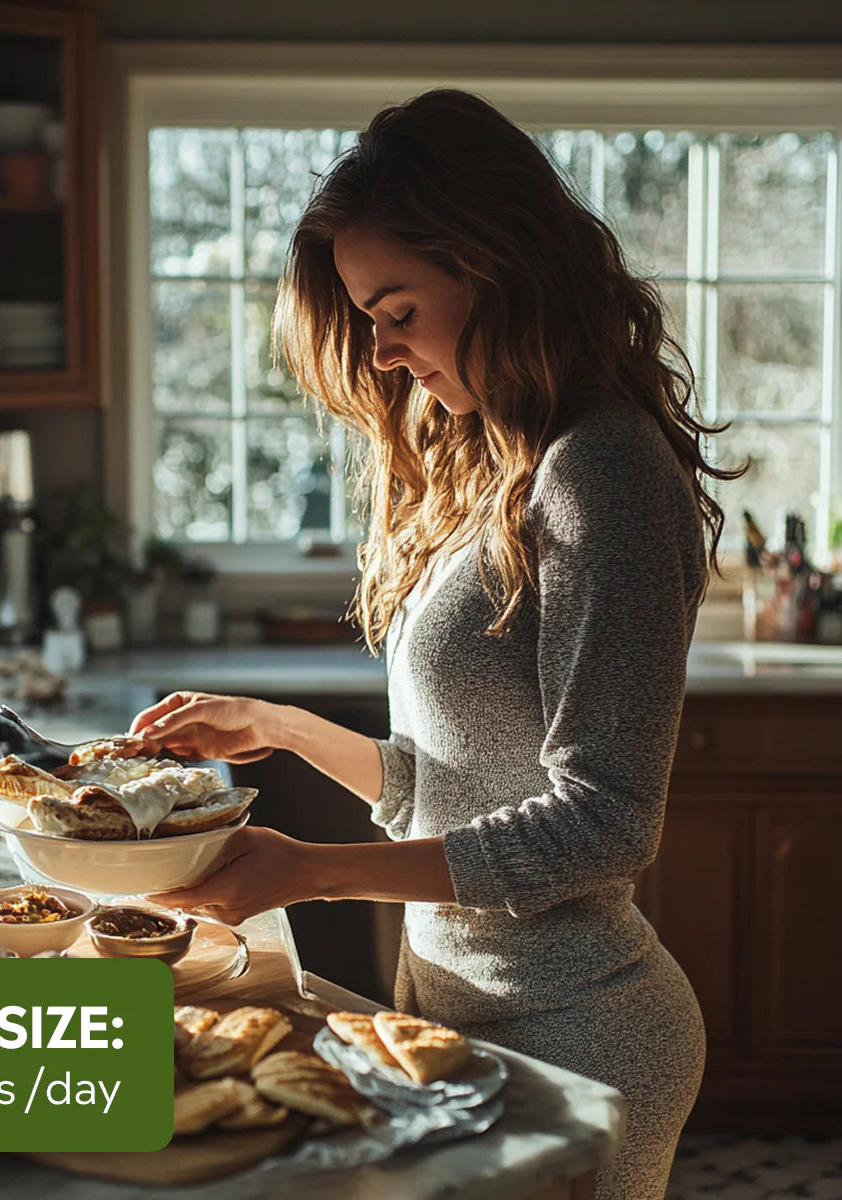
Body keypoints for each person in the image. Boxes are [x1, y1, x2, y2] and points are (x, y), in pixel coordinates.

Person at [130, 89, 741, 1200]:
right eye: (369, 315)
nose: (384, 349)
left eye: (400, 308)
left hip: (580, 1033)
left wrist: (311, 876)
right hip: (453, 1007)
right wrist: (281, 729)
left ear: (495, 267)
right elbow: (455, 788)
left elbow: (605, 822)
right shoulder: (500, 461)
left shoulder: (603, 468)